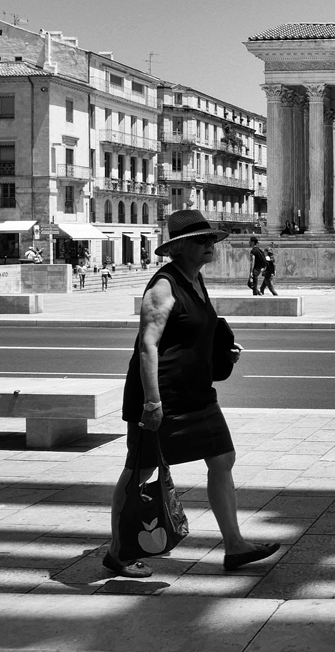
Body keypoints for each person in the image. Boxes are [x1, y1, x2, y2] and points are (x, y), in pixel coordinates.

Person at [103, 209, 279, 578]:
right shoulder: (163, 286)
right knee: (141, 470)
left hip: (197, 392)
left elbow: (194, 330)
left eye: (211, 239)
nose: (210, 245)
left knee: (222, 458)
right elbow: (148, 346)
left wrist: (219, 350)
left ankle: (235, 546)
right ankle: (118, 552)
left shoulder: (195, 279)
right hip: (162, 396)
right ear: (181, 247)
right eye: (202, 240)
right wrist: (152, 402)